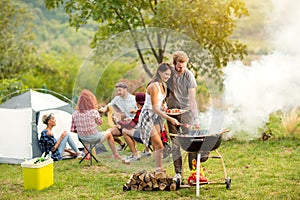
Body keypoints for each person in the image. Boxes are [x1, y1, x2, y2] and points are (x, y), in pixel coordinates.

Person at [165, 50, 203, 183]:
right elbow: (161, 90)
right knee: (175, 144)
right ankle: (178, 174)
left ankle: (194, 173)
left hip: (186, 112)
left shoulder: (189, 76)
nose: (182, 69)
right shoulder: (168, 74)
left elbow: (192, 99)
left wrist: (196, 117)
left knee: (191, 143)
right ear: (174, 64)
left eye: (184, 66)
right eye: (179, 66)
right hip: (171, 113)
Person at [139, 63, 180, 173]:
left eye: (169, 75)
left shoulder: (162, 85)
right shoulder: (153, 86)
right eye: (166, 74)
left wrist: (167, 109)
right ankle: (158, 169)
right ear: (159, 72)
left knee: (158, 145)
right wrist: (170, 119)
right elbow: (154, 108)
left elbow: (160, 104)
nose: (167, 77)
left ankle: (158, 169)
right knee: (159, 144)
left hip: (156, 117)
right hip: (148, 117)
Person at [71, 89, 121, 160]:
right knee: (109, 134)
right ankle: (115, 154)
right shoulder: (93, 112)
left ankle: (87, 155)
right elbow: (100, 123)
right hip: (94, 138)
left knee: (84, 134)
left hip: (82, 139)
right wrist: (98, 115)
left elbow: (73, 130)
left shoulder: (75, 114)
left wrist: (83, 130)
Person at [98, 82, 136, 151]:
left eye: (120, 90)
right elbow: (109, 105)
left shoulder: (134, 99)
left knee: (126, 131)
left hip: (132, 125)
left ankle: (134, 150)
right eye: (117, 90)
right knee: (108, 132)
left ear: (125, 89)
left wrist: (131, 118)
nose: (118, 92)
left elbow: (139, 112)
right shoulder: (117, 99)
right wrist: (104, 109)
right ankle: (122, 144)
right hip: (121, 125)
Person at [116, 92, 151, 162]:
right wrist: (132, 119)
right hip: (155, 136)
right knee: (142, 128)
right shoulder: (149, 109)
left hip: (147, 138)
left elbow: (129, 126)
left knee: (125, 131)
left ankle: (135, 155)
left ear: (137, 102)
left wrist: (118, 121)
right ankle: (147, 151)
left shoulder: (140, 112)